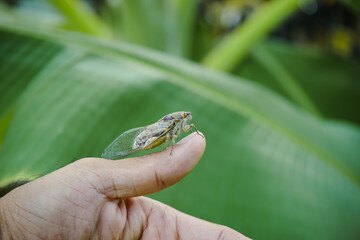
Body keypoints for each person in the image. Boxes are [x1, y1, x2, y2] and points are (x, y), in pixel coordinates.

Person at [0, 132, 250, 239]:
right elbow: (168, 137)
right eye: (184, 118)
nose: (186, 120)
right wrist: (12, 230)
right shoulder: (173, 125)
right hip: (151, 135)